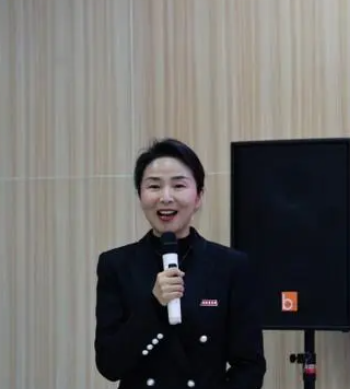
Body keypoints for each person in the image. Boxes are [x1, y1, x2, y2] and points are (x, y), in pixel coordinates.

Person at [94, 138, 267, 389]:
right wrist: (154, 306)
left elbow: (249, 365)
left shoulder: (231, 266)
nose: (166, 197)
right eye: (154, 186)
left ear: (198, 196)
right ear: (140, 195)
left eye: (178, 185)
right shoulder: (116, 265)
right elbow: (109, 365)